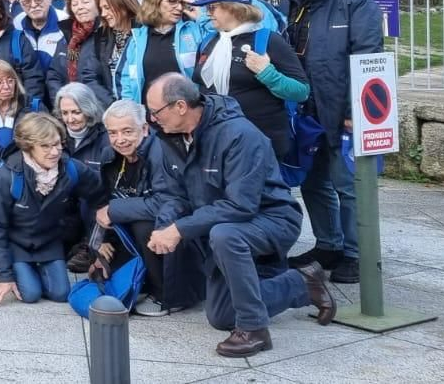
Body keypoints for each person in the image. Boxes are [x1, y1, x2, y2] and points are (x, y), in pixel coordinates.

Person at [143, 74, 335, 357]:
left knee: (225, 234)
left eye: (155, 111)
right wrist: (167, 223)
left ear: (180, 106)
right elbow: (177, 195)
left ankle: (254, 330)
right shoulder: (170, 139)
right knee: (221, 316)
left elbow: (240, 206)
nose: (152, 119)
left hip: (272, 218)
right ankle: (301, 284)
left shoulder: (239, 135)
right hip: (223, 224)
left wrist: (180, 230)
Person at [280, 0, 380, 285]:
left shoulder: (355, 1)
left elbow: (368, 56)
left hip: (341, 109)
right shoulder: (295, 2)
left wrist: (356, 109)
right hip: (306, 110)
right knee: (313, 180)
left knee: (348, 183)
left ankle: (356, 253)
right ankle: (328, 246)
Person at [93, 99, 205, 318]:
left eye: (127, 131)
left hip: (178, 228)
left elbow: (166, 203)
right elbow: (102, 200)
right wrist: (100, 241)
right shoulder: (110, 155)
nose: (120, 140)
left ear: (144, 128)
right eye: (112, 133)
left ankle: (166, 295)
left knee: (144, 226)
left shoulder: (160, 152)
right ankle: (142, 282)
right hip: (128, 229)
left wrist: (114, 210)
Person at [0, 113, 105, 305]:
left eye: (57, 143)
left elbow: (100, 195)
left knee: (61, 294)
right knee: (30, 295)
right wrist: (5, 277)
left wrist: (98, 244)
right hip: (16, 242)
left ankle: (30, 270)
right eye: (46, 146)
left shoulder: (71, 169)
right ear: (28, 147)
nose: (55, 152)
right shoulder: (5, 178)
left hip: (49, 241)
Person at [191, 0, 308, 157]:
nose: (208, 14)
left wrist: (267, 73)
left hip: (260, 142)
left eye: (213, 7)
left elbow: (301, 92)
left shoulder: (269, 40)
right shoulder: (209, 41)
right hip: (214, 139)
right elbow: (198, 87)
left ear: (234, 9)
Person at [117, 0, 204, 103]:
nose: (179, 8)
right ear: (155, 1)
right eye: (172, 1)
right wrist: (131, 109)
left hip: (187, 114)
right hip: (147, 116)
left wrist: (201, 18)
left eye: (182, 2)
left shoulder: (194, 30)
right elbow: (127, 81)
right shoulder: (137, 38)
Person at [56, 81, 113, 272]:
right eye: (65, 113)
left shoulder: (105, 138)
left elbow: (106, 187)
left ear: (88, 110)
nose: (70, 119)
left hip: (94, 205)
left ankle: (91, 245)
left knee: (93, 194)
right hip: (65, 204)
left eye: (76, 112)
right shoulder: (55, 135)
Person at [14, 0, 68, 93]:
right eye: (27, 1)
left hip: (61, 92)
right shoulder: (17, 24)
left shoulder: (65, 22)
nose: (33, 5)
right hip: (29, 92)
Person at [91, 0, 141, 103]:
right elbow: (94, 75)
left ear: (123, 5)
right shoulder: (102, 36)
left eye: (107, 8)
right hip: (113, 106)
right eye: (101, 9)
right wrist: (111, 104)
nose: (103, 14)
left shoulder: (143, 33)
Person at [61, 0, 104, 100]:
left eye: (85, 2)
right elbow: (54, 74)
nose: (80, 7)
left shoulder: (105, 33)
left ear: (98, 5)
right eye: (74, 4)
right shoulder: (69, 36)